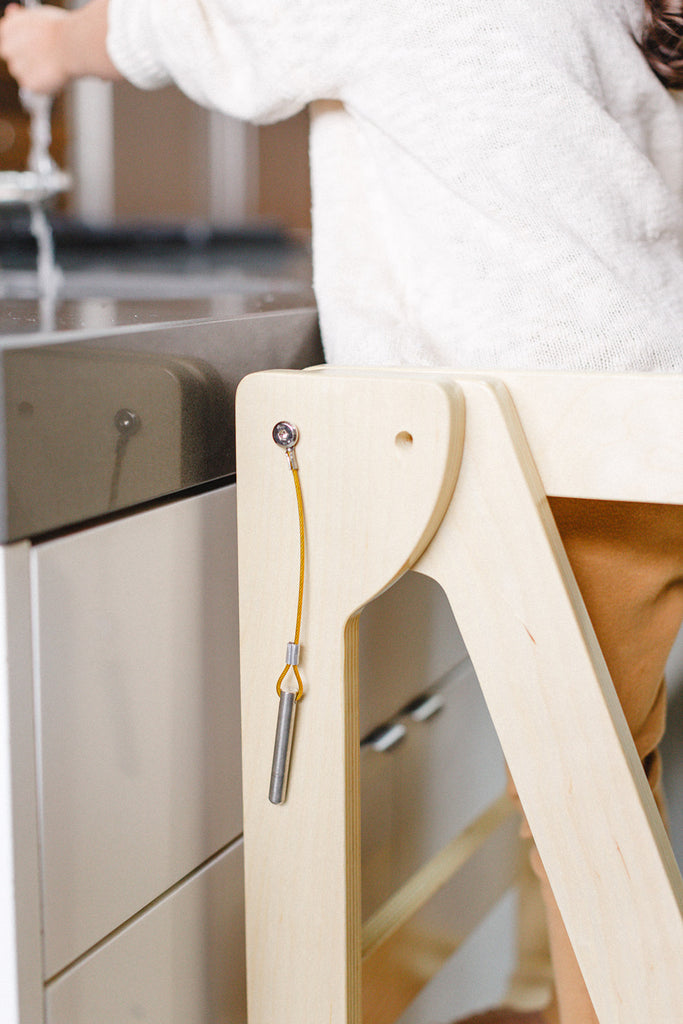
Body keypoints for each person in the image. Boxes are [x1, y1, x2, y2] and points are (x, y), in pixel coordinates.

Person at [1, 3, 682, 1022]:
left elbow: (211, 28)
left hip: (554, 431)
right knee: (604, 779)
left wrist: (55, 45)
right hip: (636, 416)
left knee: (582, 813)